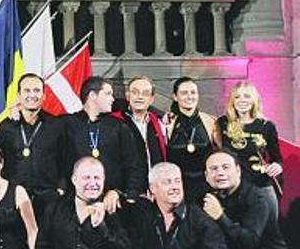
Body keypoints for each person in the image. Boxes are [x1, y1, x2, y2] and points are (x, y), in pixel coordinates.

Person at [60, 77, 146, 204]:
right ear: (93, 95)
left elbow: (133, 166)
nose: (113, 99)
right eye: (108, 94)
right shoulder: (65, 124)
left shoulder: (119, 127)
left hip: (112, 203)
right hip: (73, 203)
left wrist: (122, 193)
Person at [0, 73, 64, 215]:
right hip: (13, 199)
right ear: (19, 96)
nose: (32, 95)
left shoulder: (56, 125)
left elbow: (66, 159)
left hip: (49, 198)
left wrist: (61, 188)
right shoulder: (5, 126)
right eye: (27, 91)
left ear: (44, 95)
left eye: (37, 90)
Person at [215, 81, 283, 211]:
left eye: (247, 96)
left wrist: (277, 166)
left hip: (261, 186)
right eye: (237, 96)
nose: (242, 100)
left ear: (254, 100)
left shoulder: (266, 126)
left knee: (270, 230)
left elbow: (277, 158)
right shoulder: (222, 123)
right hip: (233, 189)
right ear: (232, 101)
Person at [164, 77, 219, 205]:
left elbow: (219, 153)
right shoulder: (167, 124)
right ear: (175, 97)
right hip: (177, 189)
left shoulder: (211, 122)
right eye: (184, 93)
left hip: (207, 189)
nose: (189, 96)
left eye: (193, 92)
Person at [110, 76, 168, 170]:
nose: (140, 97)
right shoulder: (114, 122)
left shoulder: (159, 123)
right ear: (127, 96)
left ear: (151, 99)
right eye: (135, 92)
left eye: (145, 93)